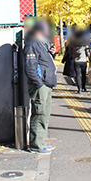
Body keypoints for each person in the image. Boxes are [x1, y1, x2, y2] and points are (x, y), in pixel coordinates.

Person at [23, 20, 57, 154]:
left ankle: (40, 142)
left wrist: (51, 53)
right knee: (39, 113)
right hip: (41, 85)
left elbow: (42, 62)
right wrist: (39, 83)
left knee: (44, 113)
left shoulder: (41, 43)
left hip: (46, 83)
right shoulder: (32, 44)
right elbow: (30, 67)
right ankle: (36, 145)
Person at [68, 28, 91, 93]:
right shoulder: (84, 43)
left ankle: (79, 88)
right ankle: (84, 87)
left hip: (76, 61)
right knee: (84, 74)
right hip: (83, 60)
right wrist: (90, 59)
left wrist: (73, 56)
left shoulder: (72, 43)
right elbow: (88, 52)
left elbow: (70, 51)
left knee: (77, 75)